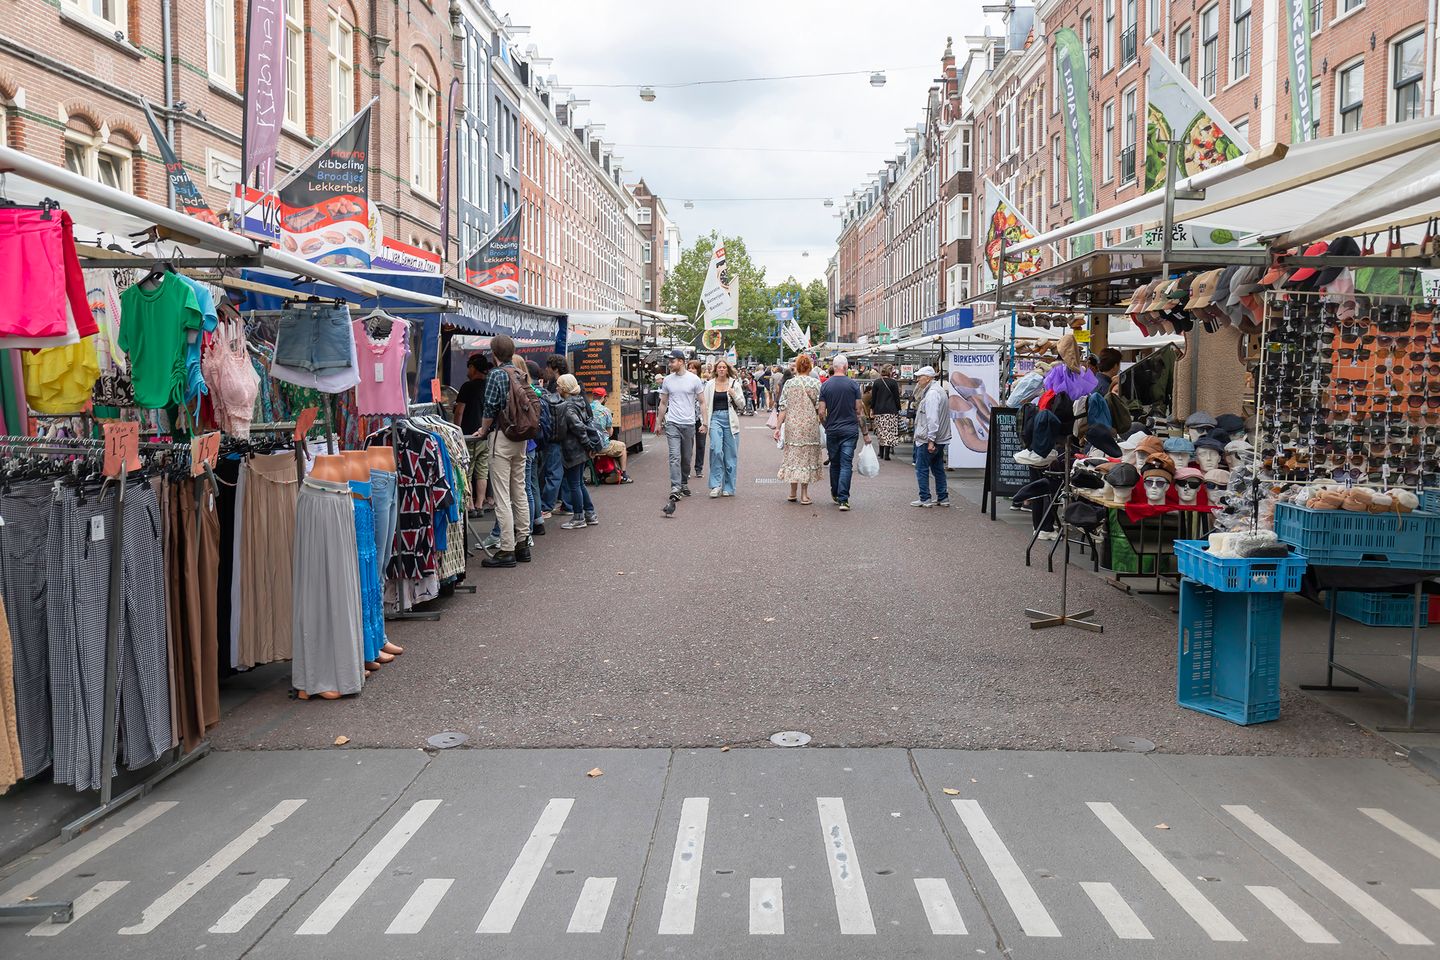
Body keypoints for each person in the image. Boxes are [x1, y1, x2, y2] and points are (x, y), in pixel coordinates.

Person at [476, 334, 533, 567]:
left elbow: (490, 407)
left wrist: (483, 429)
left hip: (501, 437)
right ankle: (523, 544)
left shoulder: (496, 375)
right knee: (519, 490)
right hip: (521, 437)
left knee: (501, 495)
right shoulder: (520, 373)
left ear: (494, 353)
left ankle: (506, 549)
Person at [817, 354, 870, 511]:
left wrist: (827, 426)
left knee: (835, 463)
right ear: (846, 368)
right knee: (846, 463)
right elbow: (859, 411)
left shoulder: (825, 386)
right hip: (850, 430)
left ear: (833, 367)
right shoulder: (853, 385)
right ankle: (843, 499)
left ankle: (835, 492)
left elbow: (821, 412)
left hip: (832, 430)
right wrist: (865, 434)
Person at [773, 353, 823, 504]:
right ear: (809, 366)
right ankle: (804, 494)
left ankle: (792, 492)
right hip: (809, 426)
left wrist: (778, 427)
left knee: (793, 457)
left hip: (792, 426)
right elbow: (819, 407)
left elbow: (783, 407)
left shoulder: (789, 384)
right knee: (806, 459)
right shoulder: (816, 384)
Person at [656, 348, 704, 500]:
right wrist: (658, 422)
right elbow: (663, 403)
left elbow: (702, 402)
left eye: (672, 361)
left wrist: (705, 422)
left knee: (686, 457)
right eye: (669, 361)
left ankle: (683, 482)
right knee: (674, 456)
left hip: (689, 423)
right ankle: (675, 487)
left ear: (681, 361)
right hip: (673, 423)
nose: (669, 364)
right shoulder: (667, 380)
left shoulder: (694, 380)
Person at [554, 374, 598, 529]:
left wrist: (588, 446)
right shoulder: (579, 402)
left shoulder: (567, 406)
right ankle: (590, 514)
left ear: (564, 388)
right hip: (580, 449)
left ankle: (578, 517)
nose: (556, 388)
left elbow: (578, 428)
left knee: (574, 484)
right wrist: (588, 447)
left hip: (573, 449)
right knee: (578, 483)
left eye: (558, 385)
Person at [453, 353, 492, 514]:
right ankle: (480, 504)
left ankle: (469, 505)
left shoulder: (467, 387)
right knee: (482, 470)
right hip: (485, 435)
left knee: (467, 470)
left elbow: (459, 412)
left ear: (473, 368)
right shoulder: (489, 386)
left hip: (468, 435)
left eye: (468, 367)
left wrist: (456, 431)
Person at [701, 359, 745, 497]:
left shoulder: (734, 384)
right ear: (715, 369)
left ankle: (729, 487)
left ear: (727, 369)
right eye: (719, 367)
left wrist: (733, 394)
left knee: (730, 456)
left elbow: (742, 404)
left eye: (724, 367)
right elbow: (705, 404)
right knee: (716, 450)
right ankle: (715, 485)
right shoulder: (710, 384)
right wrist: (705, 423)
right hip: (715, 418)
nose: (721, 369)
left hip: (730, 420)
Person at [910, 365, 952, 507]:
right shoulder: (937, 390)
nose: (918, 380)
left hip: (930, 438)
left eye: (920, 377)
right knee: (937, 467)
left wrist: (930, 440)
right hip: (940, 437)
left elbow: (932, 419)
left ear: (928, 378)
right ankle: (943, 497)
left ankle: (925, 498)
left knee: (922, 468)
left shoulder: (932, 394)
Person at [539, 354, 568, 517]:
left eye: (548, 367)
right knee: (561, 471)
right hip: (563, 434)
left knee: (553, 471)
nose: (546, 370)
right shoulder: (562, 382)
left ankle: (547, 506)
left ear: (555, 368)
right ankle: (568, 504)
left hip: (556, 435)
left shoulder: (558, 385)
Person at [588, 385, 632, 482]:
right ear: (604, 397)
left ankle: (601, 473)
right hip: (601, 446)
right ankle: (624, 475)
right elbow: (609, 433)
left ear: (593, 396)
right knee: (622, 446)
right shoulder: (606, 411)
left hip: (587, 445)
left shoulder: (586, 409)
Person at [869, 363, 903, 462]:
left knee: (881, 431)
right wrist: (898, 408)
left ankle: (880, 451)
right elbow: (897, 398)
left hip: (879, 410)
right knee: (889, 432)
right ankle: (886, 454)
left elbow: (873, 398)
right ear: (890, 372)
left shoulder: (877, 383)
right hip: (891, 410)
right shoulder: (893, 383)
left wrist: (872, 409)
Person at [688, 358, 707, 477]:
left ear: (698, 370)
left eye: (693, 368)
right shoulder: (683, 383)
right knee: (687, 445)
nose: (690, 370)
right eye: (689, 367)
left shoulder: (704, 383)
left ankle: (699, 469)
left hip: (700, 418)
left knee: (701, 444)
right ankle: (686, 468)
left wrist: (705, 420)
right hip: (688, 417)